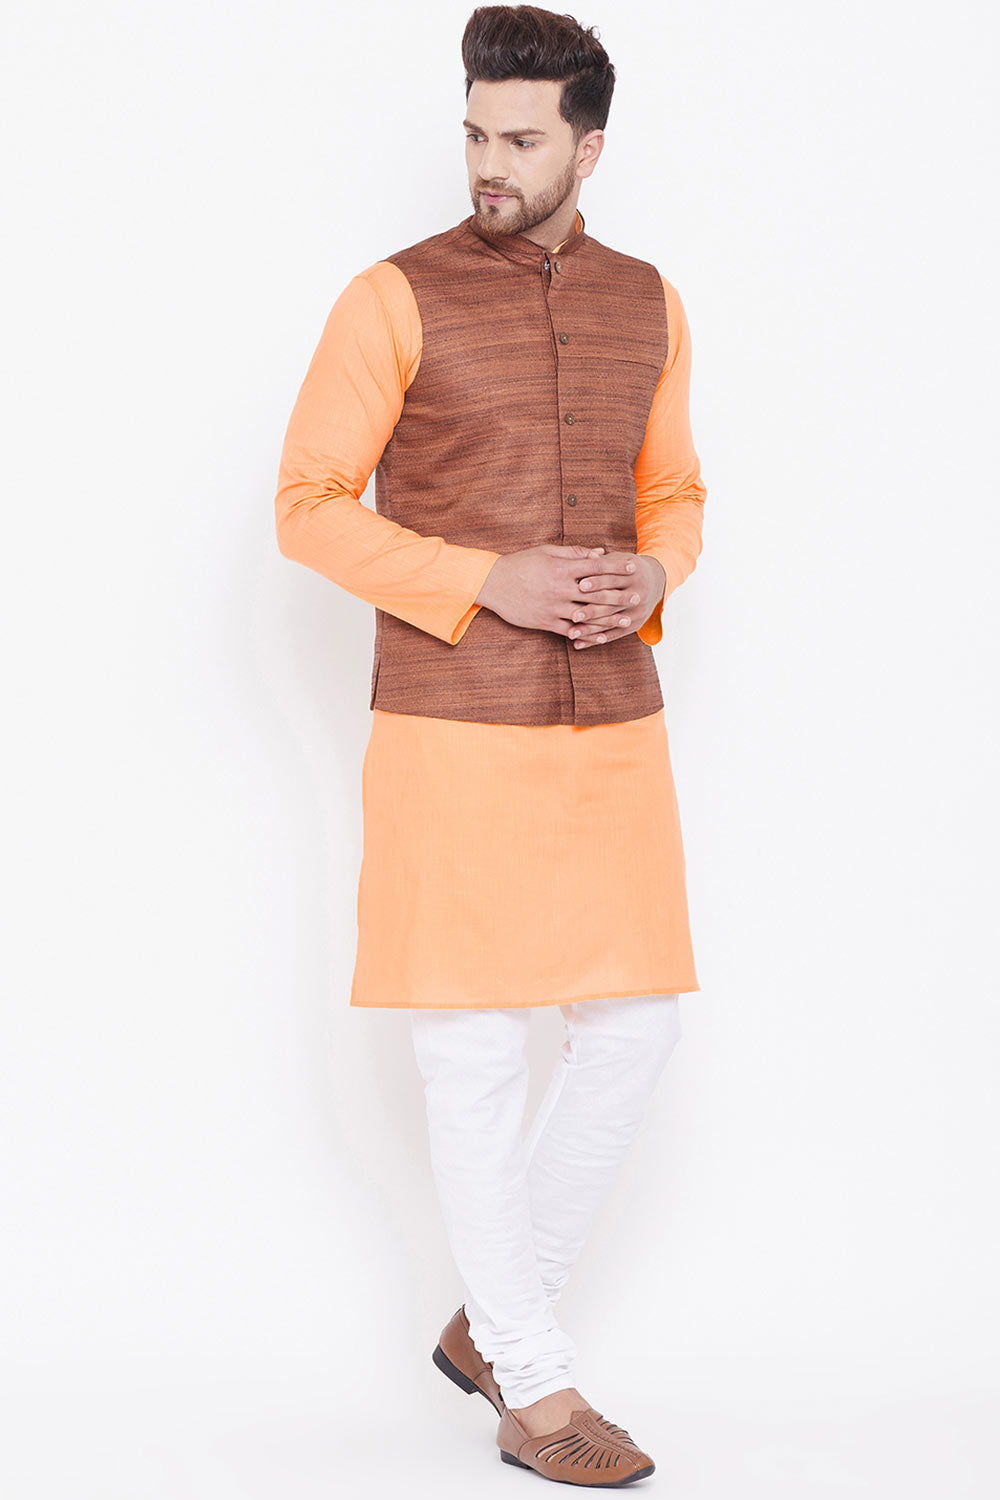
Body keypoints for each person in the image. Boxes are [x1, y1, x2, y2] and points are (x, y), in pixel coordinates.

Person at [274, 4, 707, 1485]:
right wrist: (484, 580)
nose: (488, 163)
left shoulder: (651, 302)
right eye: (474, 132)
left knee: (634, 1028)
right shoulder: (390, 298)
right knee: (470, 1051)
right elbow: (307, 505)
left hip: (612, 721)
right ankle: (534, 1384)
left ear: (590, 145)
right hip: (450, 724)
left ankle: (492, 1322)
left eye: (521, 138)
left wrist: (654, 573)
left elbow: (677, 492)